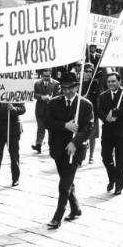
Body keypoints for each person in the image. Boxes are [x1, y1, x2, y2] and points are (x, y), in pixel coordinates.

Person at [46, 72, 93, 229]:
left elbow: (88, 127)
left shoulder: (85, 104)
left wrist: (75, 142)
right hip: (58, 149)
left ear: (76, 87)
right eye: (63, 88)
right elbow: (47, 122)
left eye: (70, 88)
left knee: (64, 184)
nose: (66, 91)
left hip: (75, 150)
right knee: (67, 180)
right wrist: (64, 125)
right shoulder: (53, 103)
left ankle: (57, 217)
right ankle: (76, 209)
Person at [98, 72, 123, 195]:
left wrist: (115, 113)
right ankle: (112, 177)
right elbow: (99, 111)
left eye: (113, 81)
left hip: (122, 131)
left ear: (119, 82)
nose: (111, 84)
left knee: (122, 159)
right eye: (109, 82)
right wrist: (106, 118)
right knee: (105, 156)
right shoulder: (103, 96)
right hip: (108, 131)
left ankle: (119, 185)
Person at [32, 69, 60, 154]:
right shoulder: (37, 83)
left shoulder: (56, 83)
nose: (46, 78)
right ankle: (38, 145)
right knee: (40, 128)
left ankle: (51, 146)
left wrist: (52, 98)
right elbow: (33, 94)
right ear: (41, 75)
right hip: (40, 109)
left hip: (51, 110)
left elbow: (58, 95)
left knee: (51, 129)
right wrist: (41, 97)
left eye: (48, 76)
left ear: (50, 75)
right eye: (45, 76)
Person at [80, 63, 101, 163]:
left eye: (90, 72)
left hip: (93, 113)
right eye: (86, 71)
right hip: (80, 114)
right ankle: (81, 156)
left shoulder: (95, 83)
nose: (88, 74)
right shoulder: (78, 83)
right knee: (81, 135)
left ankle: (91, 156)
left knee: (92, 136)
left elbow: (98, 96)